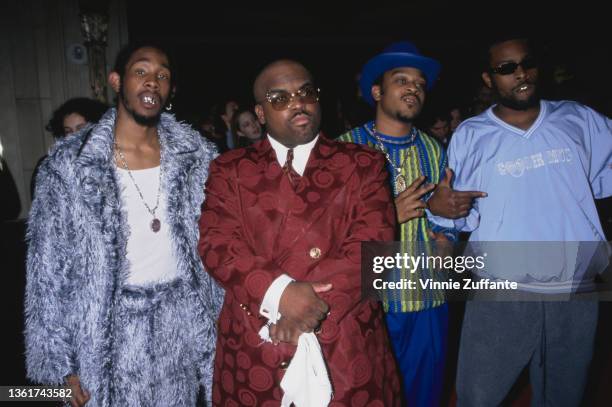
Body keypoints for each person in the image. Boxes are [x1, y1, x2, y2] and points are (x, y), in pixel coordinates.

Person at [25, 42, 223, 407]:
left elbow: (219, 252)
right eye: (141, 71)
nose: (152, 82)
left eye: (162, 75)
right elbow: (46, 273)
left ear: (171, 90)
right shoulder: (70, 167)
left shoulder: (200, 159)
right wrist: (59, 368)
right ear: (116, 81)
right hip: (104, 335)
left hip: (179, 332)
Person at [199, 59, 401, 406]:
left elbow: (377, 248)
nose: (298, 102)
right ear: (260, 114)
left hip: (344, 336)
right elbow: (217, 244)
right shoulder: (229, 169)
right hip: (258, 337)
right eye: (280, 98)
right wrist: (281, 295)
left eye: (306, 92)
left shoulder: (363, 163)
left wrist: (307, 308)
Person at [433, 37, 612, 406]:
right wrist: (440, 207)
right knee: (477, 396)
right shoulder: (471, 135)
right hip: (501, 291)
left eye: (526, 64)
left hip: (574, 287)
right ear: (489, 79)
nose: (521, 74)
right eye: (506, 68)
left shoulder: (580, 118)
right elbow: (453, 211)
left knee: (565, 395)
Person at [338, 40, 484, 407]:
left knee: (425, 396)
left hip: (426, 297)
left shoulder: (434, 149)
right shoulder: (344, 150)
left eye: (419, 82)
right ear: (377, 91)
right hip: (367, 302)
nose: (413, 88)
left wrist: (448, 235)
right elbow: (325, 227)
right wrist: (388, 214)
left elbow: (449, 214)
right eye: (401, 80)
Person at [31, 98, 108, 197]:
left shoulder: (108, 161)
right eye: (68, 131)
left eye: (81, 128)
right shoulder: (48, 166)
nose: (75, 135)